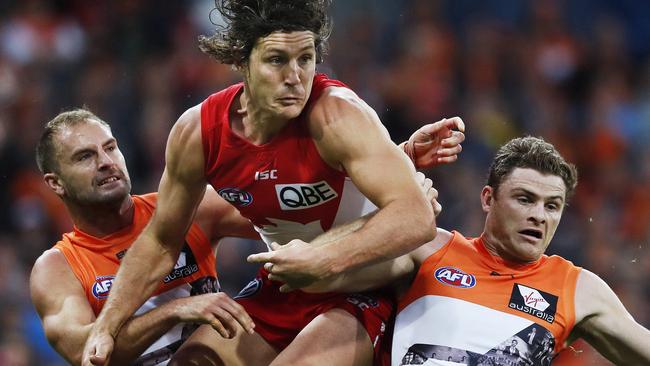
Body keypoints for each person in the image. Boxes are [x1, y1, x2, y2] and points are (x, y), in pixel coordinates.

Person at [81, 0, 466, 364]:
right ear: (241, 61)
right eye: (277, 60)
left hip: (366, 287)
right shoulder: (198, 133)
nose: (295, 77)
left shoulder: (338, 115)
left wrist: (322, 258)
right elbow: (161, 240)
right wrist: (106, 325)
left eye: (306, 59)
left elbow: (417, 215)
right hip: (288, 285)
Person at [301, 137, 650, 365]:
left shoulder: (578, 288)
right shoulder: (429, 248)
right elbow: (316, 272)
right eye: (524, 199)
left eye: (552, 206)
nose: (538, 216)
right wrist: (393, 218)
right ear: (488, 199)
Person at [30, 109, 257, 365]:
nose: (106, 162)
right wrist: (175, 311)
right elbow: (83, 351)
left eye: (110, 147)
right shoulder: (57, 268)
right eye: (85, 157)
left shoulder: (189, 208)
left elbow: (286, 219)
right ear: (55, 183)